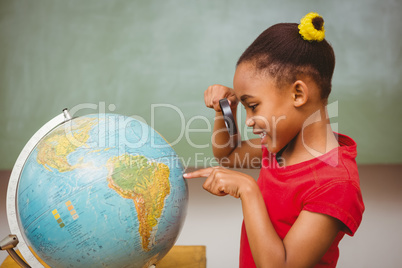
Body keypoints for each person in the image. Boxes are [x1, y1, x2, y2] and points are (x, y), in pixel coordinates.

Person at [183, 12, 365, 267]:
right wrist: (225, 110)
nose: (248, 120)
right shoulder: (282, 146)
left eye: (254, 105)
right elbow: (229, 153)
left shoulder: (336, 184)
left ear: (298, 94)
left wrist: (248, 190)